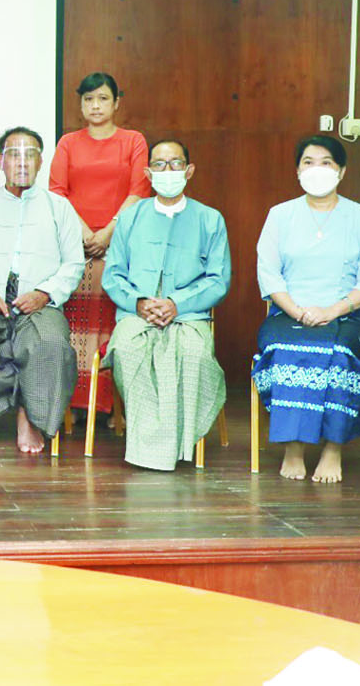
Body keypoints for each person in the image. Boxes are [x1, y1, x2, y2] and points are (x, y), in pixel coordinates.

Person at [253, 135, 360, 483]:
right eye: (308, 162)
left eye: (326, 162)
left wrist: (332, 310)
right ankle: (293, 447)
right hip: (287, 313)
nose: (317, 169)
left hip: (347, 315)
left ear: (341, 171)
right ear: (297, 171)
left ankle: (333, 448)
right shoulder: (280, 215)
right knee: (286, 349)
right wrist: (297, 310)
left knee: (340, 352)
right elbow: (268, 273)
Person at [0, 128, 84, 454]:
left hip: (41, 303)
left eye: (29, 154)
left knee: (50, 343)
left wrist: (45, 293)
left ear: (40, 162)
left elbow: (74, 264)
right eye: (14, 154)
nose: (22, 162)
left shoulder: (60, 208)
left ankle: (29, 418)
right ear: (1, 161)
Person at [101, 139, 230, 470]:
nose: (167, 170)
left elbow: (218, 280)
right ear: (148, 173)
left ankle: (178, 443)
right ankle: (149, 448)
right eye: (159, 164)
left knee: (194, 355)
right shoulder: (130, 218)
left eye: (175, 163)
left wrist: (177, 304)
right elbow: (113, 275)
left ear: (189, 170)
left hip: (189, 315)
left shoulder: (210, 219)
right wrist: (138, 302)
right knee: (128, 351)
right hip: (136, 313)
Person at [49, 72, 151, 424]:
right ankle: (74, 403)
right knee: (73, 325)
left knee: (113, 322)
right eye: (88, 99)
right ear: (80, 104)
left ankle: (111, 404)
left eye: (103, 98)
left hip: (120, 244)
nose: (95, 106)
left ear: (116, 102)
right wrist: (84, 233)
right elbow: (58, 192)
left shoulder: (133, 141)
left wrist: (107, 233)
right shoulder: (68, 143)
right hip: (74, 243)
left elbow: (139, 191)